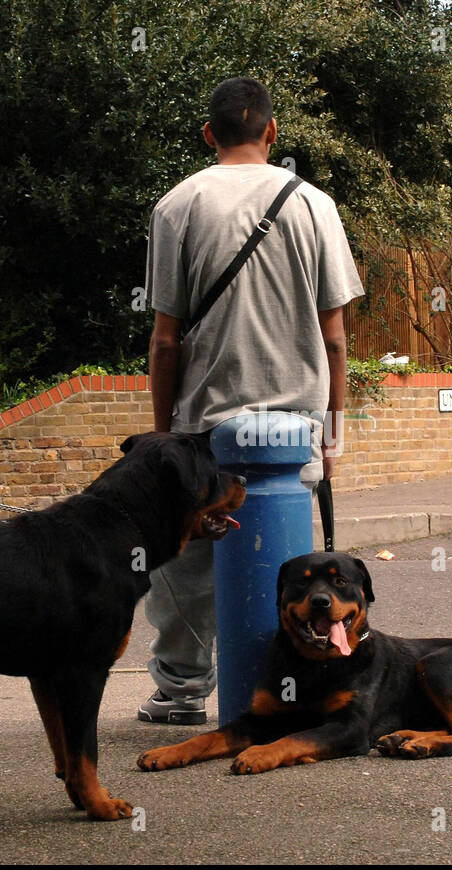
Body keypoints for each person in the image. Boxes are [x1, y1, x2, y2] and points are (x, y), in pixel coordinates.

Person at [139, 77, 363, 724]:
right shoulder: (316, 205)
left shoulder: (177, 205)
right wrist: (333, 429)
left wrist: (163, 436)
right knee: (291, 569)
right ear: (272, 131)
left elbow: (164, 341)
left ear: (209, 135)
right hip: (295, 432)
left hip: (206, 431)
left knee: (184, 569)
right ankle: (291, 690)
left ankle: (181, 693)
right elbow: (336, 338)